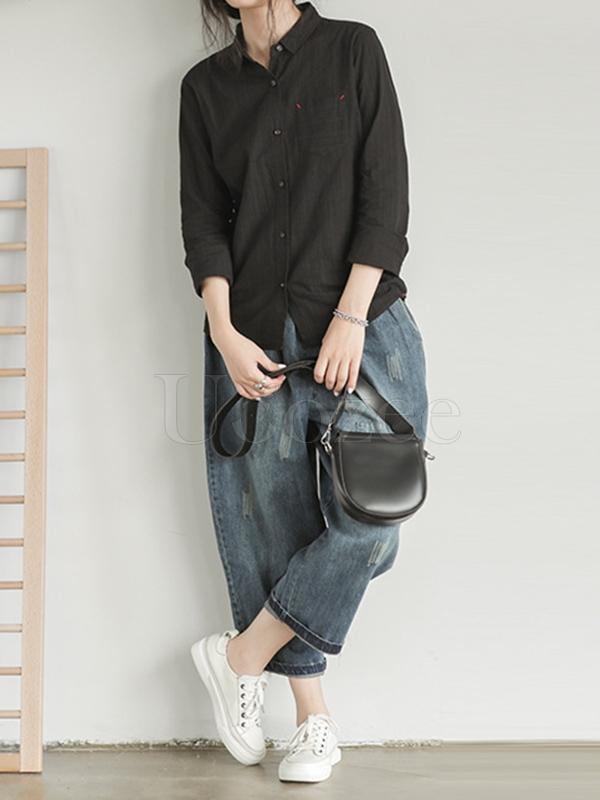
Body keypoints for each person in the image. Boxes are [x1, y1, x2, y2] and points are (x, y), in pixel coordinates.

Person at [178, 0, 428, 784]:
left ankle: (239, 656)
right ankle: (313, 722)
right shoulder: (203, 88)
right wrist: (223, 331)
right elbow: (204, 225)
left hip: (364, 326)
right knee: (275, 527)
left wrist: (350, 315)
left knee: (374, 522)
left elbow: (385, 195)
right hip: (252, 337)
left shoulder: (353, 50)